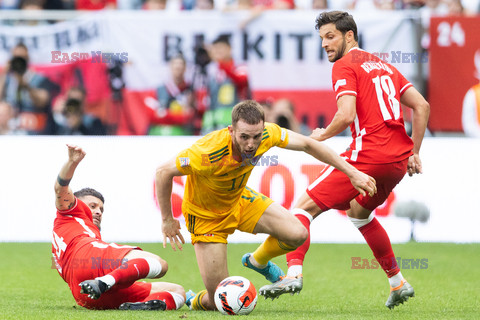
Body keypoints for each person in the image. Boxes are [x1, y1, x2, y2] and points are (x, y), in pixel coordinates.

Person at [256, 11, 430, 310]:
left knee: (301, 208)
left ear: (349, 36)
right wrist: (414, 151)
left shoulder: (344, 65)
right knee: (359, 214)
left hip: (369, 155)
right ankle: (397, 282)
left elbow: (346, 114)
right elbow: (422, 105)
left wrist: (321, 136)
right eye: (322, 38)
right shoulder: (385, 66)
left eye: (330, 36)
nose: (324, 43)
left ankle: (293, 273)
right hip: (397, 162)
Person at [155, 99, 377, 311]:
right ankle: (195, 300)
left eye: (256, 137)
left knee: (297, 233)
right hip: (206, 218)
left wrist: (352, 172)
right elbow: (163, 172)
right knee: (217, 301)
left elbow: (308, 144)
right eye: (244, 137)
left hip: (239, 200)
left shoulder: (268, 134)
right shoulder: (206, 152)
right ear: (231, 131)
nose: (251, 144)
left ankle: (258, 262)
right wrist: (167, 219)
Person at [52, 144, 186, 310]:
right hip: (90, 260)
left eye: (101, 209)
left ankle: (138, 305)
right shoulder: (71, 212)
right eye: (92, 206)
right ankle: (106, 281)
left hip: (85, 294)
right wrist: (72, 162)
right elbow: (60, 188)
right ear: (76, 203)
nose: (98, 212)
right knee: (160, 264)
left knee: (178, 291)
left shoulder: (69, 232)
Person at [0, 43, 58, 134]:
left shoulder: (38, 78)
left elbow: (43, 100)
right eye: (16, 58)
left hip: (36, 130)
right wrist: (4, 72)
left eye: (21, 59)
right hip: (12, 130)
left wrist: (25, 85)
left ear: (27, 59)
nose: (18, 63)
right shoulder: (8, 79)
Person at [201, 35, 251, 134]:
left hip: (233, 120)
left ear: (229, 48)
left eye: (220, 48)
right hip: (211, 123)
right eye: (215, 49)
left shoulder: (239, 66)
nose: (217, 52)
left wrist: (222, 64)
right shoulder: (210, 69)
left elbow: (241, 81)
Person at [149, 54, 195, 135]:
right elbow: (154, 115)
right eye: (175, 67)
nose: (178, 69)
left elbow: (188, 116)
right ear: (170, 67)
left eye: (180, 67)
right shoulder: (160, 89)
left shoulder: (189, 90)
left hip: (182, 133)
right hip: (160, 134)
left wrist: (165, 114)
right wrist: (177, 115)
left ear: (185, 69)